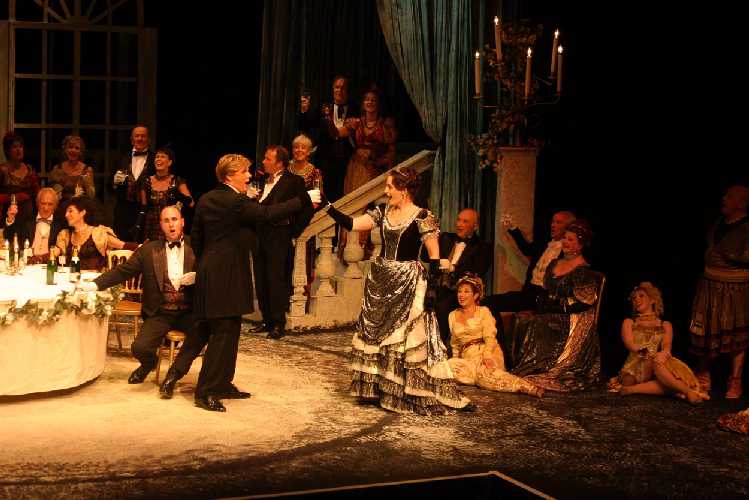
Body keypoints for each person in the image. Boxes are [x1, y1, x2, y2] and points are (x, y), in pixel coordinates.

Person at [322, 167, 472, 415]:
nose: (386, 191)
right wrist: (327, 206)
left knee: (404, 337)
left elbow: (434, 256)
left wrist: (432, 290)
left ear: (404, 190)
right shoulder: (383, 212)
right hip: (382, 279)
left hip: (408, 281)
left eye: (390, 187)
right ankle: (379, 388)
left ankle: (404, 391)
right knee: (377, 334)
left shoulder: (422, 216)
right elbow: (352, 224)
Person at [189, 153, 319, 412]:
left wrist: (208, 261)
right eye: (244, 172)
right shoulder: (234, 201)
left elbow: (196, 237)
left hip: (216, 270)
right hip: (225, 273)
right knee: (222, 333)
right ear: (230, 176)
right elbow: (267, 213)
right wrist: (303, 199)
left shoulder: (207, 198)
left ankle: (222, 383)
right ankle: (206, 391)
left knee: (231, 329)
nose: (249, 175)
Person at [78, 205, 204, 387]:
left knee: (202, 332)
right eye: (166, 220)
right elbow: (123, 271)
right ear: (161, 225)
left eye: (174, 219)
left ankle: (174, 374)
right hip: (161, 312)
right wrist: (95, 284)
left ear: (182, 222)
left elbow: (213, 269)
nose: (171, 224)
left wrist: (199, 277)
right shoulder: (149, 250)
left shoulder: (197, 246)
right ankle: (148, 364)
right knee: (139, 348)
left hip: (189, 312)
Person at [510, 219, 603, 392]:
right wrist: (544, 304)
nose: (565, 242)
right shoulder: (554, 263)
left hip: (574, 316)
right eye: (565, 238)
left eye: (571, 240)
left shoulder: (582, 270)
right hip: (552, 310)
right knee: (528, 320)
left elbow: (584, 302)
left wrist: (559, 307)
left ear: (580, 245)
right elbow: (546, 291)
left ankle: (548, 367)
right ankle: (533, 367)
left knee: (542, 322)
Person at [689, 185, 749, 399]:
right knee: (706, 329)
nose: (724, 198)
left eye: (730, 196)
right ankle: (703, 373)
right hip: (709, 285)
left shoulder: (747, 228)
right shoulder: (719, 222)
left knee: (737, 334)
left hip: (734, 288)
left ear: (741, 203)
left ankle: (735, 380)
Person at [250, 145, 315, 339]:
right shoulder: (261, 181)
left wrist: (293, 232)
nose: (263, 162)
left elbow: (307, 209)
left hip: (279, 236)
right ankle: (266, 319)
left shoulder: (293, 182)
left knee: (276, 279)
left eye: (268, 159)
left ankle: (278, 323)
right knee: (261, 278)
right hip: (259, 236)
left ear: (279, 163)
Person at [609, 282, 707, 405]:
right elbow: (629, 344)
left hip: (655, 365)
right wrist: (643, 351)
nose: (636, 299)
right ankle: (681, 390)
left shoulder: (665, 325)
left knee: (660, 365)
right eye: (634, 298)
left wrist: (664, 353)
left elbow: (667, 346)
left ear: (652, 300)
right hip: (635, 365)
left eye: (641, 296)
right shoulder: (629, 322)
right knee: (632, 380)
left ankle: (633, 390)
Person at [448, 274, 544, 398]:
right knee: (447, 369)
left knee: (484, 373)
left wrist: (487, 356)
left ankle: (526, 387)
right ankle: (476, 377)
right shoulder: (452, 315)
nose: (461, 295)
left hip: (486, 351)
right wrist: (456, 361)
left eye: (466, 291)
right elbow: (455, 344)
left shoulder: (483, 311)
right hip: (468, 358)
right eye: (459, 291)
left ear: (475, 295)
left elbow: (490, 337)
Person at [338, 86, 398, 257]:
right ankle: (347, 245)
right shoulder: (356, 122)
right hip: (357, 166)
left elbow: (391, 150)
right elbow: (337, 134)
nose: (369, 102)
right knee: (352, 203)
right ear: (362, 103)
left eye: (373, 100)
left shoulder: (385, 124)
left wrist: (382, 164)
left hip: (375, 167)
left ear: (378, 104)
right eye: (367, 99)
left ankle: (364, 246)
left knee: (369, 206)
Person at [484, 211, 576, 314]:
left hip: (545, 298)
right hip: (529, 292)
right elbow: (527, 249)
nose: (553, 225)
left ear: (568, 227)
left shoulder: (568, 253)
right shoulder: (545, 244)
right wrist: (513, 228)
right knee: (487, 302)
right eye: (552, 222)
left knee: (490, 303)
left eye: (558, 222)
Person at [434, 208, 492, 356]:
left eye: (465, 221)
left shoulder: (482, 247)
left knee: (442, 307)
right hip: (437, 287)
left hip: (458, 292)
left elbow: (477, 271)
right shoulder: (446, 238)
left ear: (475, 226)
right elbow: (426, 257)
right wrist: (430, 237)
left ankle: (439, 353)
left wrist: (453, 268)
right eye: (458, 220)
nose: (459, 224)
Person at [53, 197, 134, 270]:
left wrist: (140, 248)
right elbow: (54, 253)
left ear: (82, 212)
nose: (66, 215)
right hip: (71, 278)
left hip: (94, 279)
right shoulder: (65, 235)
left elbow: (121, 245)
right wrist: (45, 257)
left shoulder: (98, 233)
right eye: (66, 212)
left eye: (70, 211)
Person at [288, 134, 324, 294]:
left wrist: (303, 215)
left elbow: (318, 197)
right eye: (296, 147)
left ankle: (304, 296)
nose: (299, 150)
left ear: (309, 151)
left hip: (305, 220)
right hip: (285, 217)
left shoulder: (315, 172)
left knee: (305, 261)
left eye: (303, 147)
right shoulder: (285, 169)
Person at [137, 146, 194, 242]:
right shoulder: (146, 181)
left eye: (162, 156)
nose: (158, 159)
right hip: (150, 227)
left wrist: (178, 199)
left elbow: (191, 203)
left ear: (169, 162)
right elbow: (143, 206)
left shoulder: (177, 181)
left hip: (170, 225)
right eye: (157, 156)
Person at [112, 125, 155, 240]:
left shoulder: (156, 159)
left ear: (149, 140)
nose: (140, 139)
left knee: (145, 245)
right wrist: (115, 182)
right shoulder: (121, 158)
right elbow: (109, 187)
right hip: (123, 211)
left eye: (143, 136)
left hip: (147, 211)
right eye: (137, 136)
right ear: (132, 140)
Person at [318, 76, 357, 203]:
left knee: (343, 196)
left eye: (343, 88)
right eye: (337, 87)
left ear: (348, 90)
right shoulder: (323, 108)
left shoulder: (356, 109)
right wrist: (304, 110)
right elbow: (305, 124)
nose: (339, 91)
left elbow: (339, 134)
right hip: (326, 161)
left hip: (347, 161)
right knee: (325, 197)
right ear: (333, 89)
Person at [2, 188, 65, 264]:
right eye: (43, 203)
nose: (46, 208)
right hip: (27, 263)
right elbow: (9, 237)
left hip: (50, 264)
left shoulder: (60, 224)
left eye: (50, 204)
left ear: (55, 206)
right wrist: (10, 218)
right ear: (37, 204)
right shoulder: (26, 221)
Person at [48, 135, 96, 219]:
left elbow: (91, 195)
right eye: (70, 147)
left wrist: (86, 183)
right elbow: (54, 196)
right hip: (62, 210)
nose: (73, 150)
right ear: (65, 150)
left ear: (81, 151)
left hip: (81, 210)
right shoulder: (58, 169)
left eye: (77, 148)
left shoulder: (87, 170)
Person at [0, 131, 40, 220]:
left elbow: (37, 192)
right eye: (15, 147)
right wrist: (14, 197)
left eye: (20, 146)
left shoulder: (29, 169)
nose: (19, 149)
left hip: (28, 216)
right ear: (7, 150)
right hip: (9, 216)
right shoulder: (2, 171)